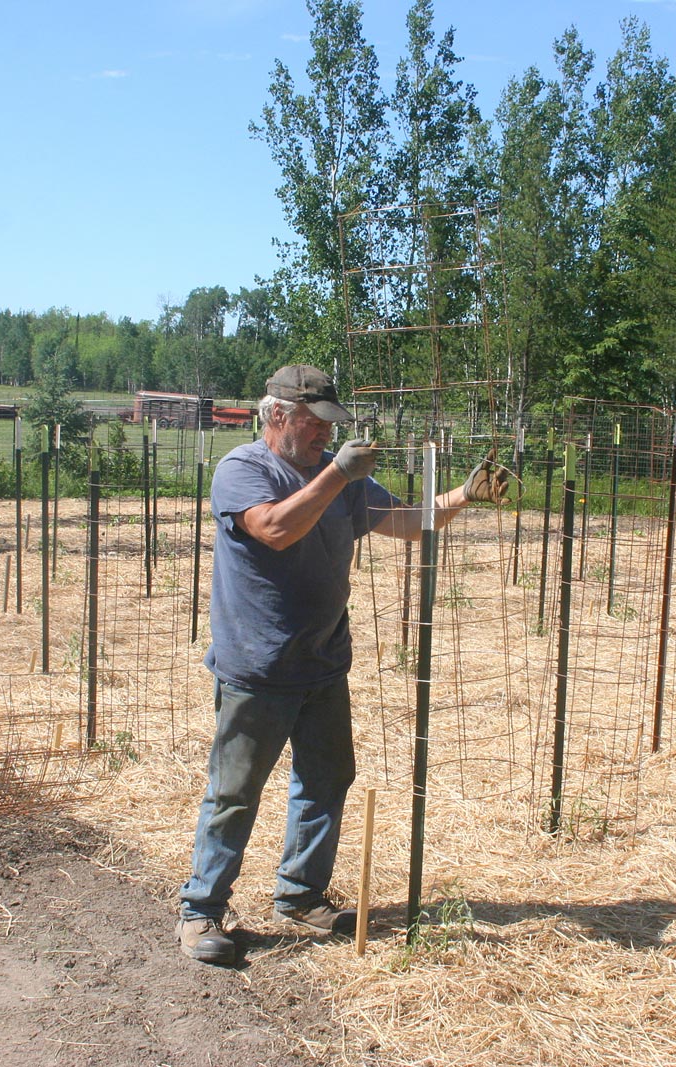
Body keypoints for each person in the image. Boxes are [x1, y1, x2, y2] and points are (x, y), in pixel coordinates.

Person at [177, 364, 508, 965]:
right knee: (235, 792)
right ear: (277, 417)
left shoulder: (342, 479)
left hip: (324, 661)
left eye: (330, 426)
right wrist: (337, 473)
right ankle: (201, 910)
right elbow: (275, 529)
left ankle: (300, 897)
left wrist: (463, 495)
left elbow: (407, 522)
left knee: (326, 782)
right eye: (314, 424)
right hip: (258, 666)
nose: (324, 436)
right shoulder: (244, 470)